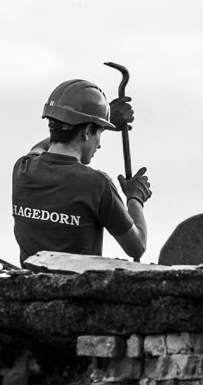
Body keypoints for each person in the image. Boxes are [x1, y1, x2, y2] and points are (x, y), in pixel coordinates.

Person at [11, 79, 153, 263]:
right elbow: (137, 247)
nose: (99, 144)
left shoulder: (22, 169)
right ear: (87, 131)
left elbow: (41, 147)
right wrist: (135, 197)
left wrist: (97, 120)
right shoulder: (97, 185)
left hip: (31, 281)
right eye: (99, 132)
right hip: (78, 283)